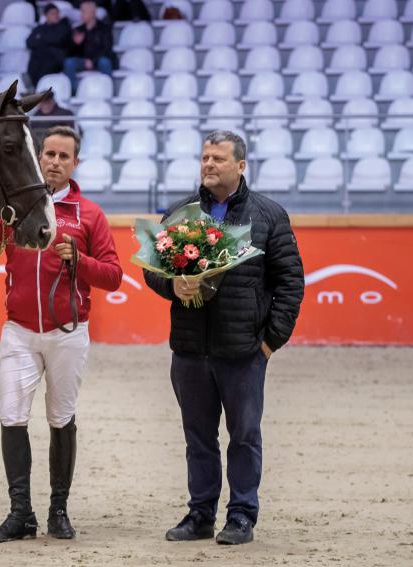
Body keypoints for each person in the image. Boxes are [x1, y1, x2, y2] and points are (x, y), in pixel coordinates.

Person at [0, 126, 122, 543]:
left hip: (68, 334)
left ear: (76, 164)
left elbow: (113, 276)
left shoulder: (89, 214)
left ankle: (59, 511)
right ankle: (21, 514)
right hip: (19, 333)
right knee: (12, 417)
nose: (55, 162)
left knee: (61, 419)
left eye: (63, 156)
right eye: (49, 154)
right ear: (38, 158)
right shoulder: (10, 212)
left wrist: (80, 260)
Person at [143, 130, 304, 545]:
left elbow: (290, 283)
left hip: (244, 351)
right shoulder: (181, 213)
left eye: (218, 158)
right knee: (198, 438)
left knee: (244, 436)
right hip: (190, 349)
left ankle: (241, 516)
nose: (209, 164)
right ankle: (200, 515)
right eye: (205, 158)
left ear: (241, 165)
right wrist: (172, 286)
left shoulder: (269, 216)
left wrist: (269, 343)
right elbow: (152, 269)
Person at [63, 1, 116, 91]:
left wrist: (93, 61)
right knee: (69, 62)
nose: (81, 14)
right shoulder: (78, 29)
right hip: (84, 61)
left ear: (92, 13)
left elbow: (107, 49)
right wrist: (76, 44)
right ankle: (73, 91)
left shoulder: (104, 29)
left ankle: (109, 89)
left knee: (105, 62)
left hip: (99, 59)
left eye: (83, 11)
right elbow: (71, 53)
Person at [26, 3, 72, 87]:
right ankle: (32, 85)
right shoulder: (39, 28)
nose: (56, 16)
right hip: (39, 59)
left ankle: (39, 87)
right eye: (52, 13)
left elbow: (57, 39)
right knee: (36, 57)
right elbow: (29, 42)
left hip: (56, 58)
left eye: (57, 13)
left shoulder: (64, 26)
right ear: (46, 16)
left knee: (46, 56)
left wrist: (40, 38)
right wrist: (45, 40)